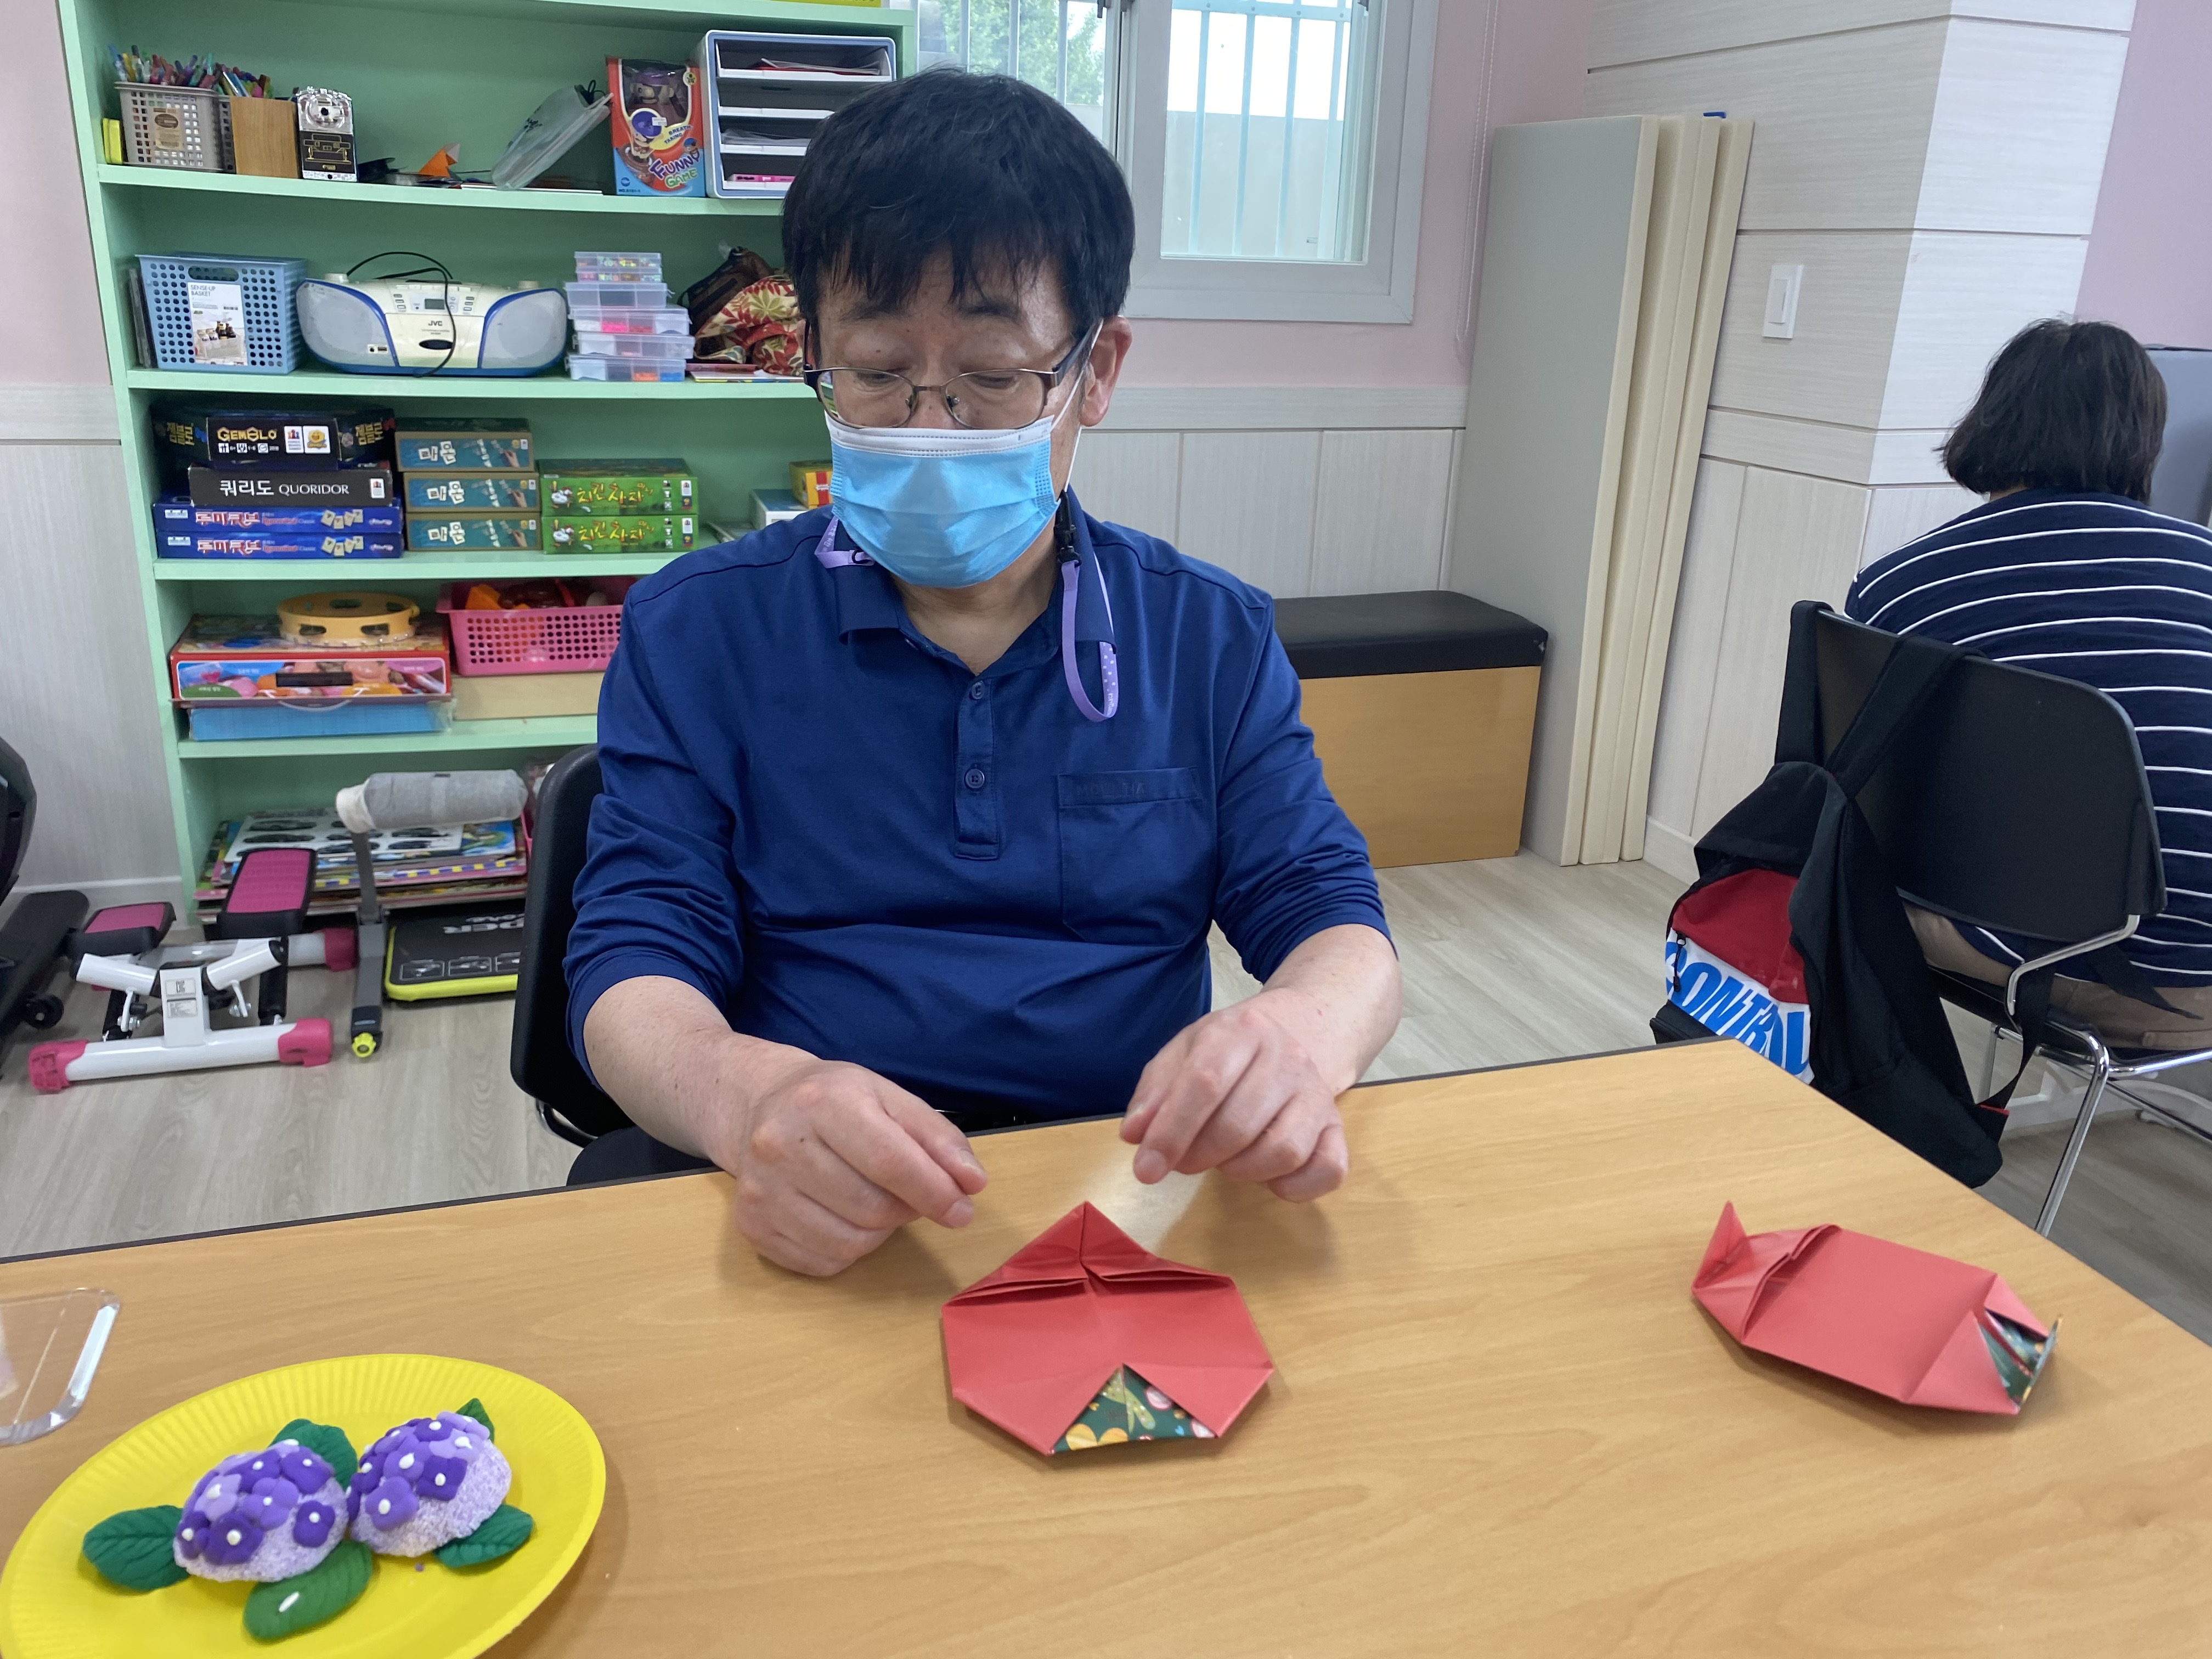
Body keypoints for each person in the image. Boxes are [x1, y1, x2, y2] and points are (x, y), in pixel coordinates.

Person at [563, 71, 1401, 1276]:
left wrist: (1298, 1039)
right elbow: (633, 959)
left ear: (1095, 372)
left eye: (994, 378)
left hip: (1121, 1186)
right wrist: (751, 1102)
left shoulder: (1206, 636)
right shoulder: (698, 629)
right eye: (876, 369)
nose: (929, 425)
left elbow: (1332, 916)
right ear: (813, 356)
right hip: (810, 1185)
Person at [1847, 317, 2212, 1048]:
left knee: (1850, 871)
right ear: (2145, 438)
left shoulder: (1903, 585)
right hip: (2202, 983)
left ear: (1992, 420)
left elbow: (1865, 799)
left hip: (2022, 955)